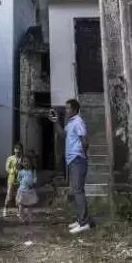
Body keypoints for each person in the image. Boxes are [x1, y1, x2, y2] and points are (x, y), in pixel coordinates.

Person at [49, 99, 91, 234]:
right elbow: (63, 135)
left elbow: (85, 141)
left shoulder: (78, 122)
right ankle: (81, 220)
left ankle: (84, 223)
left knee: (78, 191)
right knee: (77, 190)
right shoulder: (71, 122)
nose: (66, 111)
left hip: (77, 159)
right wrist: (55, 121)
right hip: (73, 160)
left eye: (68, 108)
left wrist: (82, 155)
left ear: (74, 109)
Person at [16, 155, 38, 223]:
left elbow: (35, 178)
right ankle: (21, 217)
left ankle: (30, 217)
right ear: (22, 163)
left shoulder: (32, 171)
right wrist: (22, 182)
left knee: (30, 205)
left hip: (30, 191)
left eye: (28, 162)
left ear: (31, 163)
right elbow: (18, 179)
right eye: (24, 162)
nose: (26, 163)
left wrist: (33, 182)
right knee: (21, 204)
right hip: (22, 191)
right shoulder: (21, 171)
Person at [3, 142, 23, 217]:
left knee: (19, 196)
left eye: (19, 149)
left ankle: (19, 211)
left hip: (20, 180)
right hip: (11, 179)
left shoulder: (23, 158)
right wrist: (14, 170)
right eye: (16, 148)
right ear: (14, 150)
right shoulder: (10, 158)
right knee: (9, 196)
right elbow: (7, 168)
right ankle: (5, 209)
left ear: (21, 150)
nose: (18, 150)